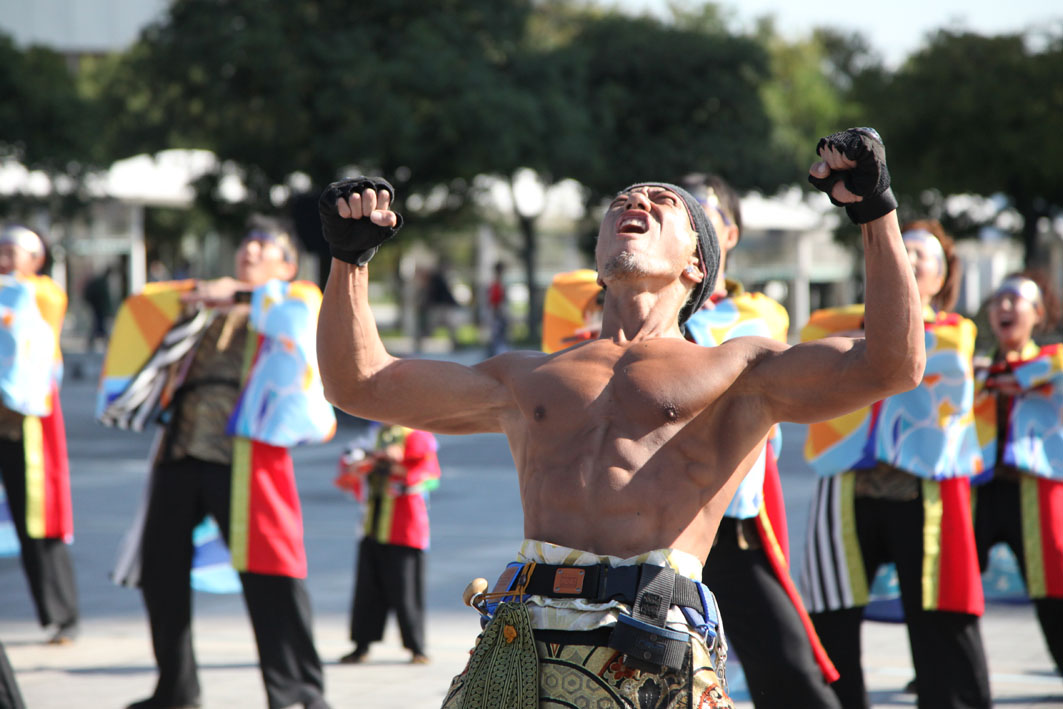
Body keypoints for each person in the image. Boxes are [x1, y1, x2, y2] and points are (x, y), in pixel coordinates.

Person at [315, 128, 925, 708]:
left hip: (653, 645)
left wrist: (876, 212)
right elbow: (360, 383)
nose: (636, 200)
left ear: (696, 263)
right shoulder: (524, 377)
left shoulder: (739, 371)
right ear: (600, 252)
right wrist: (350, 261)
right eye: (622, 201)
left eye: (664, 202)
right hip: (522, 641)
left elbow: (890, 366)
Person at [96, 223, 337, 709]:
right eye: (246, 242)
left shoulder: (294, 298)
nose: (250, 249)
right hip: (179, 451)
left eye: (264, 246)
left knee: (273, 576)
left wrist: (239, 293)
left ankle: (298, 694)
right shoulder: (206, 305)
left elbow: (299, 315)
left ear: (286, 265)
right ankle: (176, 689)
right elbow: (148, 309)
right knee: (161, 574)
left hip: (247, 460)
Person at [799, 219, 989, 709]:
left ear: (942, 278)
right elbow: (812, 335)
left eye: (921, 254)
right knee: (832, 611)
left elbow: (937, 351)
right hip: (846, 489)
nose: (908, 256)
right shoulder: (830, 322)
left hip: (924, 493)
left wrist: (869, 334)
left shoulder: (956, 331)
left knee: (938, 615)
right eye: (899, 248)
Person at [681, 175, 841, 708]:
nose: (694, 224)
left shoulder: (757, 315)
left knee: (789, 671)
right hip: (654, 526)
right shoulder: (627, 311)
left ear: (731, 233)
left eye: (705, 213)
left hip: (733, 528)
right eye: (683, 214)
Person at [971, 271, 1063, 678]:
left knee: (1053, 585)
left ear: (1038, 314)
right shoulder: (968, 367)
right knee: (955, 581)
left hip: (1032, 489)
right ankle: (946, 666)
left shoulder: (1052, 364)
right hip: (979, 489)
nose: (1004, 307)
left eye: (1015, 300)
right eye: (998, 300)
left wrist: (999, 378)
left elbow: (1040, 373)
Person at [0, 224, 78, 646]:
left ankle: (61, 615)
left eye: (15, 251)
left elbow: (27, 302)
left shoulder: (44, 293)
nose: (6, 258)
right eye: (2, 250)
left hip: (25, 422)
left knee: (38, 519)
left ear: (36, 259)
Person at [334, 423, 441, 665]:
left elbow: (429, 475)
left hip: (404, 528)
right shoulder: (373, 435)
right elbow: (348, 467)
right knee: (367, 589)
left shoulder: (416, 435)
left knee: (406, 590)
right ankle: (361, 644)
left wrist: (394, 464)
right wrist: (367, 462)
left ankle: (416, 647)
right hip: (371, 524)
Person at [82, 266, 114, 353]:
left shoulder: (101, 282)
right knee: (99, 326)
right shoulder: (102, 283)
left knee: (98, 326)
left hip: (97, 307)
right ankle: (107, 343)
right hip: (98, 308)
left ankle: (104, 342)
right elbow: (104, 298)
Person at [486, 260, 509, 356]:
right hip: (497, 311)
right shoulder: (496, 284)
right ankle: (495, 352)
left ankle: (496, 350)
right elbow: (495, 300)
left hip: (498, 310)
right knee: (497, 333)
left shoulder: (498, 283)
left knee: (499, 332)